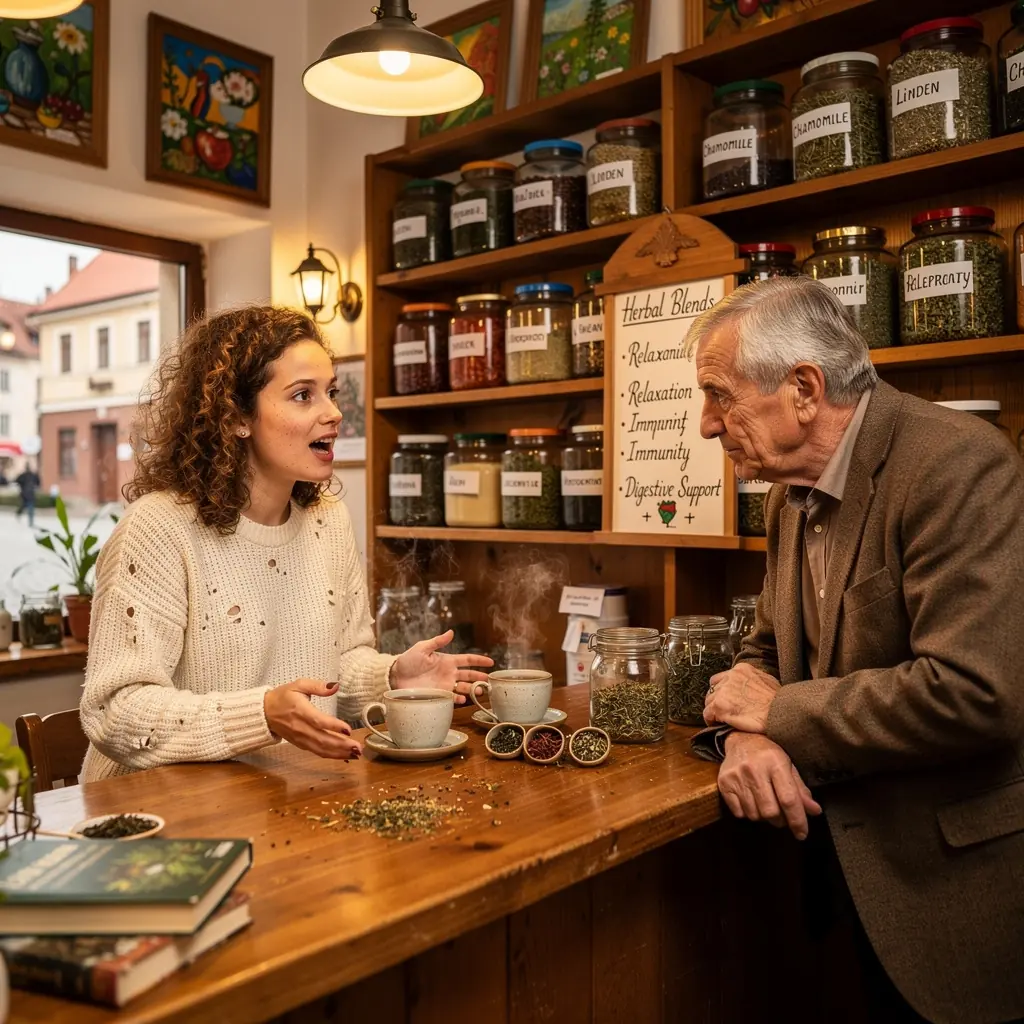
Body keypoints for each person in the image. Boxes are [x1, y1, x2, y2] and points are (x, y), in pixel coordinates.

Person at [690, 278, 1024, 1024]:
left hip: (953, 897)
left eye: (719, 396)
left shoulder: (957, 465)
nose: (708, 425)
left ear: (804, 390)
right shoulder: (786, 496)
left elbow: (975, 693)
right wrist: (746, 739)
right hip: (839, 886)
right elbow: (765, 653)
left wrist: (781, 715)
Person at [79, 306, 492, 782]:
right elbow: (114, 710)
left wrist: (393, 676)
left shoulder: (327, 520)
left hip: (274, 793)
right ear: (236, 417)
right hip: (149, 808)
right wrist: (262, 714)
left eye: (331, 392)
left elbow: (337, 668)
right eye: (302, 395)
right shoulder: (158, 528)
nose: (334, 413)